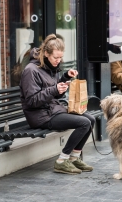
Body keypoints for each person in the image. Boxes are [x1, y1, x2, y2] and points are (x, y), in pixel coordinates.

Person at [19, 34, 95, 174]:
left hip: (53, 110)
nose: (58, 61)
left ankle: (74, 158)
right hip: (40, 116)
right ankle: (62, 160)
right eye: (56, 58)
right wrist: (54, 89)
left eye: (60, 58)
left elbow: (55, 93)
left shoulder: (49, 66)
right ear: (46, 53)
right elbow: (31, 101)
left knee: (91, 119)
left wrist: (65, 78)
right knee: (84, 123)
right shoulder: (31, 70)